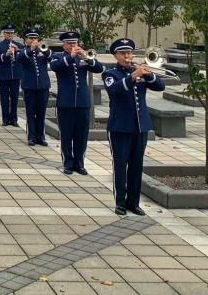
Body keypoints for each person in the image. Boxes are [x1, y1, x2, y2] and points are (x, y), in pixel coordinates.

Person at [103, 38, 164, 216]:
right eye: (124, 54)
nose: (128, 56)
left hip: (140, 126)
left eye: (130, 53)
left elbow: (160, 86)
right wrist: (133, 76)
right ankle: (120, 203)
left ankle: (134, 203)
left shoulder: (140, 72)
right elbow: (114, 91)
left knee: (137, 166)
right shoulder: (110, 74)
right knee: (121, 166)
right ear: (116, 55)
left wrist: (149, 74)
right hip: (120, 127)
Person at [50, 31, 104, 175]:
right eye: (70, 43)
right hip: (65, 103)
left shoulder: (83, 57)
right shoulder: (58, 57)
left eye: (75, 43)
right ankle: (68, 163)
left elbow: (99, 68)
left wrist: (87, 58)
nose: (73, 45)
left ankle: (79, 163)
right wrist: (71, 56)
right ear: (64, 45)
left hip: (83, 102)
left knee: (81, 135)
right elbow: (56, 67)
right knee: (66, 135)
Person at [17, 28, 51, 147]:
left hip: (43, 86)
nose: (33, 40)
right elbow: (19, 59)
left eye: (35, 38)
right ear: (26, 40)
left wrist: (44, 50)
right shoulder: (22, 51)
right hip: (29, 86)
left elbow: (51, 58)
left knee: (41, 112)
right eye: (31, 38)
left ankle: (40, 137)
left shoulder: (42, 50)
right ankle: (31, 137)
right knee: (30, 112)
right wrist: (31, 50)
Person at [0, 25, 22, 127]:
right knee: (4, 98)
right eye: (8, 33)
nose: (10, 35)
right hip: (3, 76)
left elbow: (22, 58)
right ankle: (5, 119)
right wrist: (5, 54)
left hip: (15, 76)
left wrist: (18, 50)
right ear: (4, 34)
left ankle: (14, 119)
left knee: (14, 98)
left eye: (11, 33)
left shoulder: (19, 45)